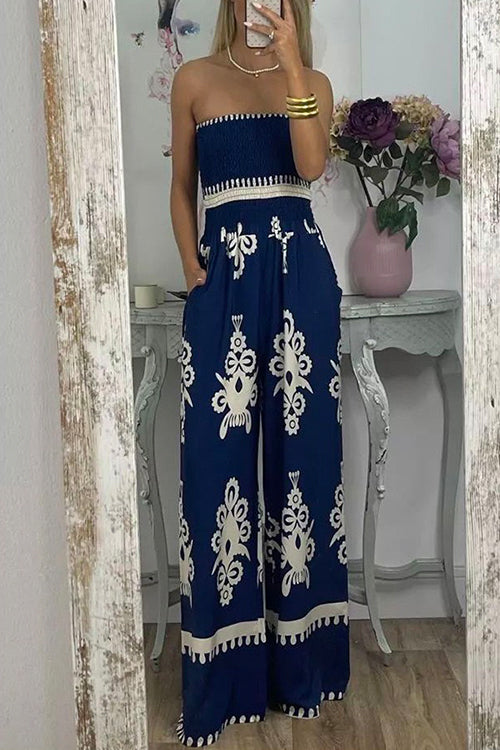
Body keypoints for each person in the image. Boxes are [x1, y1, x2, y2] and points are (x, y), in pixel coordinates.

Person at [170, 0, 349, 745]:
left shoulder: (314, 82)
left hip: (299, 280)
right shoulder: (195, 79)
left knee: (304, 465)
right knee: (215, 470)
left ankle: (300, 670)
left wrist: (293, 63)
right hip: (224, 286)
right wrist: (193, 268)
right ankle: (223, 681)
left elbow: (310, 165)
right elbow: (181, 188)